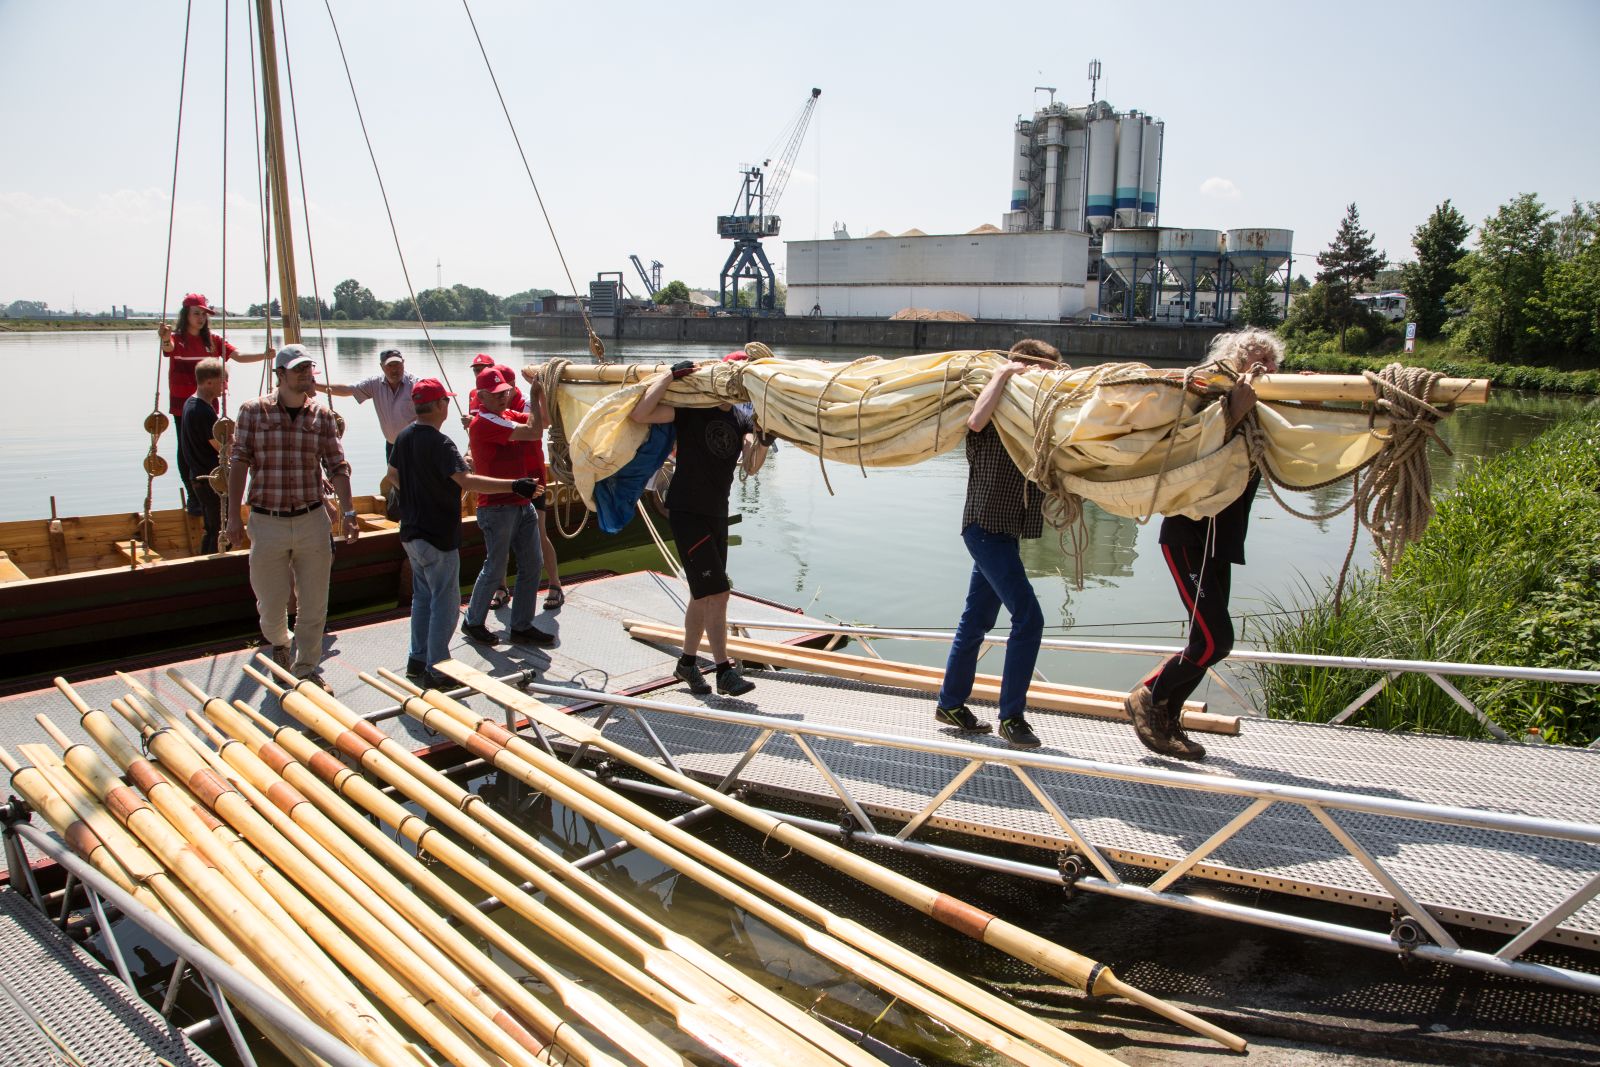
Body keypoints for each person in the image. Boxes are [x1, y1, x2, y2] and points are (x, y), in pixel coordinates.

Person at [1124, 329, 1282, 761]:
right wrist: (1233, 407)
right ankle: (1147, 694)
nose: (1262, 371)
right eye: (1253, 361)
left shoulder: (1267, 412)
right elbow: (1197, 448)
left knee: (1203, 638)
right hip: (1188, 535)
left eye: (1269, 364)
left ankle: (1167, 718)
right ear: (1231, 362)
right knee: (1216, 642)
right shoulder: (1206, 401)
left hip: (1222, 541)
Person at [934, 339, 1065, 749]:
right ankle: (1012, 717)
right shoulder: (991, 417)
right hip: (984, 527)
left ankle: (950, 703)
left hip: (1003, 531)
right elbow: (973, 421)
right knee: (1030, 617)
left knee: (976, 620)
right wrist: (1004, 373)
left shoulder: (1031, 425)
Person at [629, 359, 771, 697]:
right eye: (732, 379)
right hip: (687, 510)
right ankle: (724, 670)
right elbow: (641, 413)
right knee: (718, 591)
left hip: (716, 514)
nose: (735, 386)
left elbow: (751, 467)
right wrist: (667, 376)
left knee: (703, 594)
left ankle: (687, 664)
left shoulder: (740, 418)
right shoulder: (691, 409)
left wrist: (764, 438)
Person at [387, 378, 539, 687]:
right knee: (445, 602)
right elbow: (468, 482)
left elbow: (392, 475)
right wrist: (514, 484)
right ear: (441, 405)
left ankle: (417, 660)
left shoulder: (403, 437)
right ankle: (438, 667)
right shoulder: (441, 443)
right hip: (437, 534)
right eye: (446, 402)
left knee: (422, 599)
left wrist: (420, 494)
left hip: (411, 534)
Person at [227, 344, 358, 688]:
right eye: (298, 369)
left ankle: (306, 669)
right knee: (270, 608)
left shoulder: (323, 416)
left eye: (308, 369)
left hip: (312, 519)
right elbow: (239, 461)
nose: (305, 374)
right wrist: (232, 518)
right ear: (280, 374)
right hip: (266, 520)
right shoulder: (253, 412)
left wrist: (349, 510)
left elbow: (337, 465)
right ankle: (280, 643)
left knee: (314, 604)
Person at [461, 367, 554, 647]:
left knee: (532, 563)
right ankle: (473, 621)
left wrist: (540, 397)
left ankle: (521, 625)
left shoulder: (505, 416)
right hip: (497, 507)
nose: (504, 398)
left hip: (520, 501)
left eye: (506, 392)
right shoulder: (485, 422)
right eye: (497, 394)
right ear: (482, 397)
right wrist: (535, 393)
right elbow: (534, 430)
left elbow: (545, 422)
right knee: (496, 565)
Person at [158, 293, 271, 510]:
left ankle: (213, 489)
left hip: (209, 404)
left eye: (203, 314)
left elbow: (237, 356)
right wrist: (164, 337)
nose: (200, 318)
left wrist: (264, 355)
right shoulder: (177, 338)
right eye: (196, 313)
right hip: (183, 404)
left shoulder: (212, 340)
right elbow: (168, 347)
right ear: (186, 315)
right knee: (186, 449)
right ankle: (194, 496)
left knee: (214, 448)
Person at [319, 348, 418, 461]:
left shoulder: (416, 385)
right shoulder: (374, 384)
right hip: (392, 447)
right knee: (393, 479)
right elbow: (347, 390)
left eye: (397, 364)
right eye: (390, 365)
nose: (394, 369)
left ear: (403, 363)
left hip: (415, 446)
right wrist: (313, 385)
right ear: (382, 366)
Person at [178, 358, 227, 554]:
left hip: (199, 477)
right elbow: (221, 448)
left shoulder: (190, 404)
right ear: (209, 382)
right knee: (218, 528)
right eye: (222, 381)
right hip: (210, 480)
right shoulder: (203, 411)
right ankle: (213, 568)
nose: (225, 386)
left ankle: (208, 564)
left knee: (212, 527)